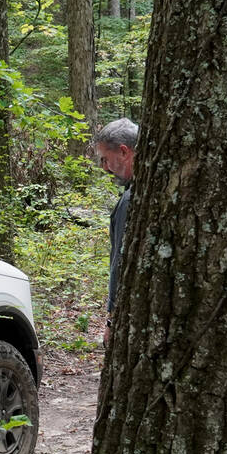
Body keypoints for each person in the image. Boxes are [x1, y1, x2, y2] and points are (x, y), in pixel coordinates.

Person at [94, 118, 137, 321]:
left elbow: (119, 261)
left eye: (105, 159)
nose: (105, 168)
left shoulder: (130, 200)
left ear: (123, 152)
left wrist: (111, 317)